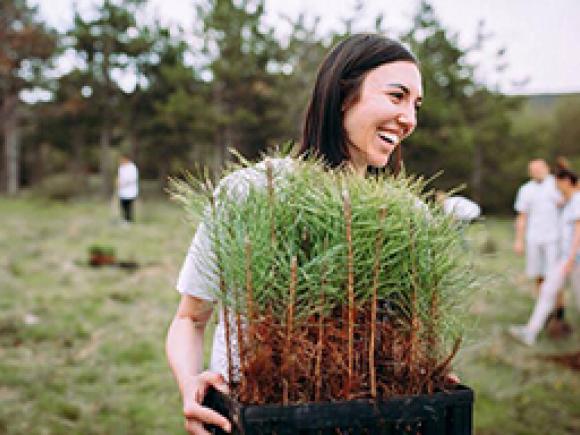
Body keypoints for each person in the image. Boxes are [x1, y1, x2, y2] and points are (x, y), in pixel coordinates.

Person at [166, 34, 425, 435]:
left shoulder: (408, 217)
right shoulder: (251, 193)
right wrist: (189, 388)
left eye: (415, 105)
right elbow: (189, 318)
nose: (409, 119)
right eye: (397, 96)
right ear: (343, 95)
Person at [509, 168, 580, 345]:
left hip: (574, 259)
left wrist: (571, 259)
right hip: (565, 258)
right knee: (547, 290)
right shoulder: (569, 201)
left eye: (558, 184)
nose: (556, 188)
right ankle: (530, 332)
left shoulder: (577, 200)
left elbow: (579, 231)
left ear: (565, 182)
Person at [116, 155, 139, 223]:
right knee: (122, 206)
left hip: (130, 191)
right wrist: (118, 181)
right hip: (122, 191)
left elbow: (132, 179)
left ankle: (129, 220)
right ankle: (124, 219)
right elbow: (120, 176)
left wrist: (122, 182)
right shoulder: (121, 167)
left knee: (128, 206)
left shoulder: (132, 168)